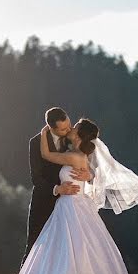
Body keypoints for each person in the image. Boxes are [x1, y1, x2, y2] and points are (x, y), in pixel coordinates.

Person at [0, 118, 138, 274]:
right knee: (74, 252)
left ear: (79, 136)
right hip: (71, 205)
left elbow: (47, 155)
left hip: (70, 205)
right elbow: (88, 173)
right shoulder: (82, 155)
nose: (70, 129)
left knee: (68, 253)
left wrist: (44, 133)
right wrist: (88, 175)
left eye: (74, 127)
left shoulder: (74, 155)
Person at [22, 108, 91, 266]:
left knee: (68, 252)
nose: (69, 130)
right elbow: (36, 179)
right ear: (51, 128)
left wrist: (89, 175)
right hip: (44, 203)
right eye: (63, 129)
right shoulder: (36, 142)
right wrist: (57, 189)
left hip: (70, 209)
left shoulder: (73, 138)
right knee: (34, 249)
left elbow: (89, 163)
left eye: (69, 125)